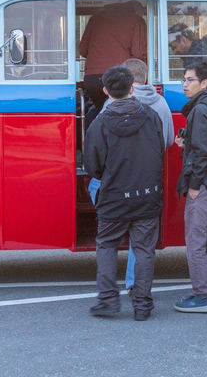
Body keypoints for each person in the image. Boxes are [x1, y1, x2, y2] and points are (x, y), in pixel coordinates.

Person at [83, 66, 165, 321]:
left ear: (106, 91)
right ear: (132, 88)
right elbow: (160, 150)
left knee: (107, 244)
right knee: (143, 249)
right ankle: (142, 305)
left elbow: (92, 167)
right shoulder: (151, 116)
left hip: (114, 196)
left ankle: (108, 300)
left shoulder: (100, 123)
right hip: (147, 194)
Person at [174, 61, 207, 313]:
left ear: (204, 83)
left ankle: (203, 295)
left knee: (196, 241)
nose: (184, 84)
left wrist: (193, 185)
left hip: (203, 185)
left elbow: (204, 153)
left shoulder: (199, 110)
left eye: (189, 80)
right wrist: (187, 144)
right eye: (183, 80)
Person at [79, 1, 147, 112]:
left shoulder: (95, 18)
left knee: (100, 112)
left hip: (93, 79)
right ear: (138, 11)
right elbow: (138, 54)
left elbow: (82, 50)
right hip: (119, 78)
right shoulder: (137, 21)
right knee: (120, 113)